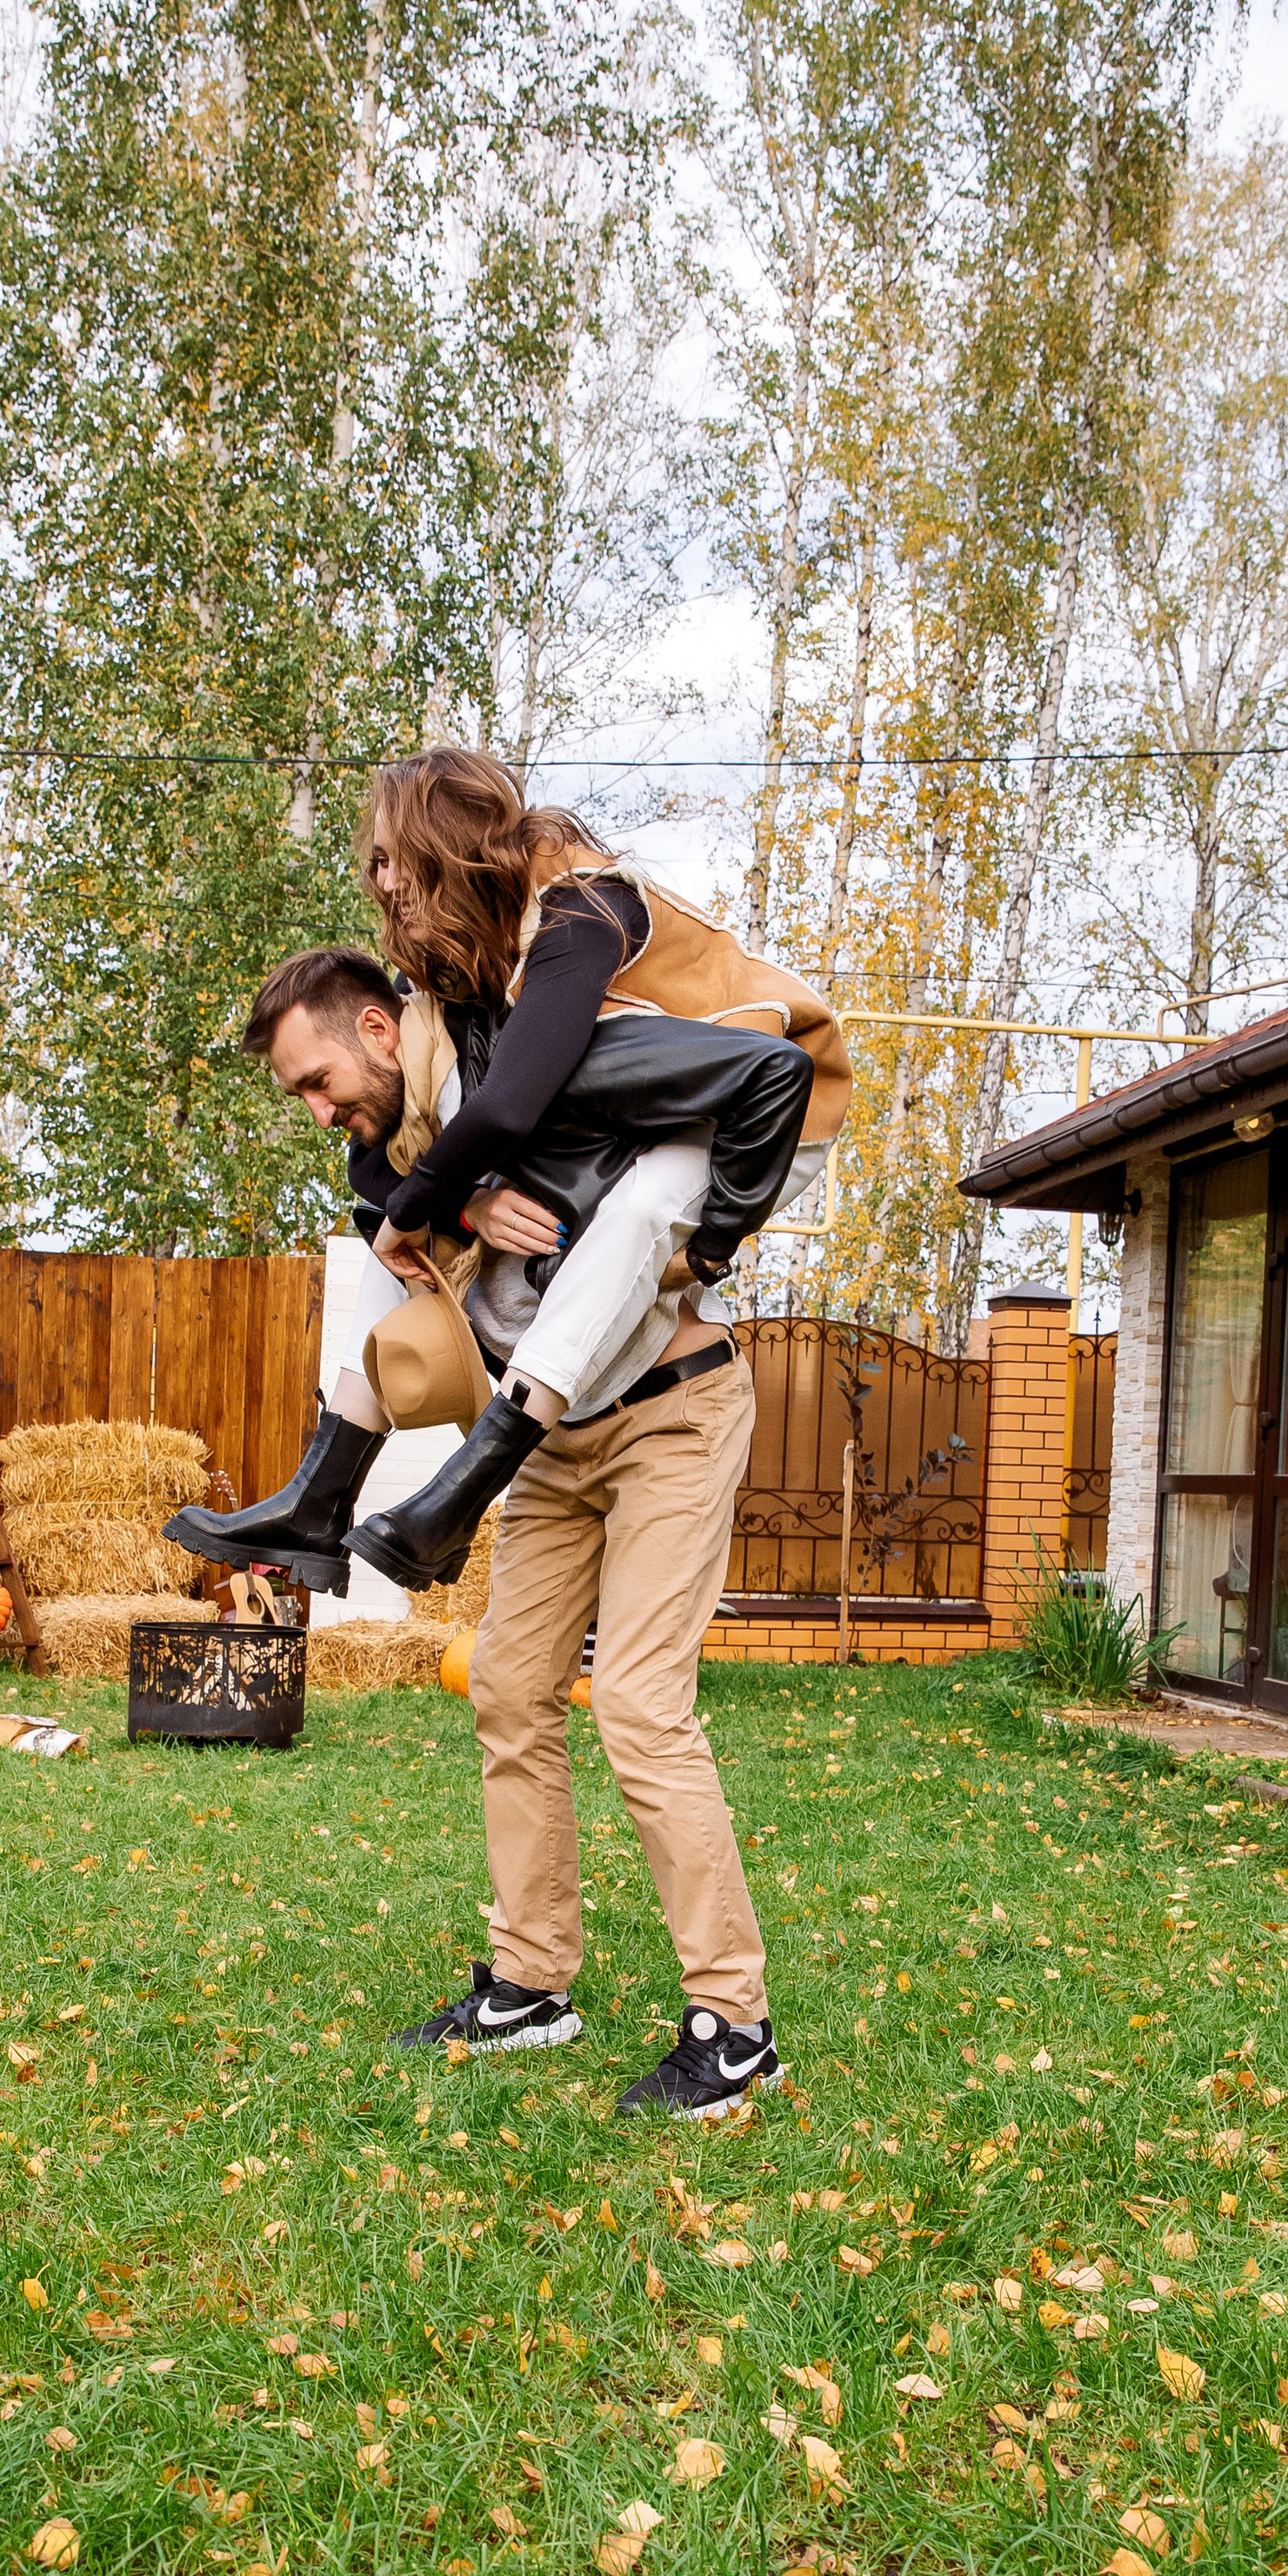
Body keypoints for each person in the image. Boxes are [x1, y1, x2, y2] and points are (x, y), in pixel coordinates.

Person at [176, 750, 851, 2119]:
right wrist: (452, 1202)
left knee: (645, 1708)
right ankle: (532, 1980)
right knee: (508, 1689)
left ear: (445, 859)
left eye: (390, 872)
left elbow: (518, 1111)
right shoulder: (461, 1028)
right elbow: (397, 1158)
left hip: (671, 1412)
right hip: (555, 1440)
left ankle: (735, 2023)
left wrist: (451, 1185)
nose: (382, 899)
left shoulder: (586, 951)